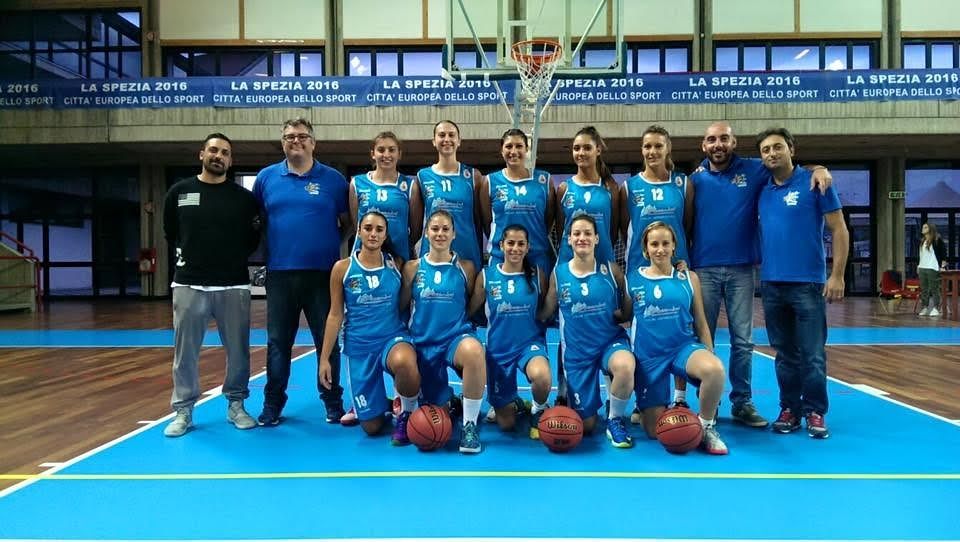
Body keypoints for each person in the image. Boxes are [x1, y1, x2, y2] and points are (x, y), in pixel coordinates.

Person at [685, 121, 832, 428]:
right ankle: (707, 402)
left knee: (743, 342)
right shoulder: (694, 180)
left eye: (723, 139)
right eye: (711, 140)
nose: (717, 144)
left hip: (742, 269)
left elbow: (789, 168)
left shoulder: (755, 170)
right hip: (704, 269)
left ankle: (742, 402)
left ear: (733, 142)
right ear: (703, 146)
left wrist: (819, 168)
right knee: (703, 339)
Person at [253, 118, 350, 427]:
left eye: (302, 136)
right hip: (280, 275)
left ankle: (332, 402)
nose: (296, 141)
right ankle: (273, 404)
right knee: (278, 343)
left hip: (323, 276)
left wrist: (328, 244)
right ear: (283, 142)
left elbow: (348, 223)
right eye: (289, 137)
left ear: (313, 142)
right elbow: (259, 220)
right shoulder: (266, 178)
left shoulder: (334, 180)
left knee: (327, 341)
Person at [161, 133, 260, 437]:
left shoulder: (244, 199)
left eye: (225, 153)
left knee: (239, 352)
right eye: (214, 150)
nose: (219, 156)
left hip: (233, 285)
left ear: (230, 160)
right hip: (189, 283)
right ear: (201, 154)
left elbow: (253, 238)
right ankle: (183, 410)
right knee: (185, 353)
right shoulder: (179, 192)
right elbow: (171, 232)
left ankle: (236, 405)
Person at [756, 127, 849, 439]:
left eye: (777, 147)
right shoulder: (762, 189)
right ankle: (790, 409)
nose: (772, 153)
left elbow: (839, 229)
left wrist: (837, 275)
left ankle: (815, 411)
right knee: (784, 355)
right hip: (771, 285)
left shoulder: (815, 183)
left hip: (808, 285)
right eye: (766, 150)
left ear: (791, 149)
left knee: (812, 354)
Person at [318, 211, 421, 444]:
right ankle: (380, 404)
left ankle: (406, 413)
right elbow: (335, 314)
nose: (373, 233)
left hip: (392, 338)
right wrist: (324, 359)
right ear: (359, 231)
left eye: (379, 230)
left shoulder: (396, 264)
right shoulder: (342, 268)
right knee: (372, 427)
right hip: (360, 346)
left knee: (405, 361)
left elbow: (406, 302)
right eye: (368, 228)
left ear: (385, 236)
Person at [626, 221, 729, 455]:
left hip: (683, 348)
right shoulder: (632, 279)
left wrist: (709, 355)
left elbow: (700, 321)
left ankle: (706, 427)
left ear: (674, 246)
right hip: (649, 357)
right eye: (654, 244)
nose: (660, 249)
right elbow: (623, 315)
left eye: (665, 243)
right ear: (645, 249)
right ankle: (655, 409)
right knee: (654, 431)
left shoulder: (689, 278)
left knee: (714, 370)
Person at [539, 214, 636, 448]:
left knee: (625, 365)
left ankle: (615, 419)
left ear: (597, 238)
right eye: (577, 234)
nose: (582, 238)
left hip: (609, 343)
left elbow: (628, 309)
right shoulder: (559, 274)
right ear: (569, 240)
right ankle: (584, 402)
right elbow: (545, 312)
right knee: (586, 426)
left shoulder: (612, 271)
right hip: (578, 355)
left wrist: (620, 315)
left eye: (587, 233)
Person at [620, 124, 690, 424]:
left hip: (676, 268)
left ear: (668, 149)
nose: (652, 151)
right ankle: (644, 399)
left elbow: (687, 225)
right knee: (644, 335)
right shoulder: (630, 187)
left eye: (658, 146)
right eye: (647, 146)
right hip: (640, 270)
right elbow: (624, 228)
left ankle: (680, 398)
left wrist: (680, 260)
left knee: (681, 329)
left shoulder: (683, 184)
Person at [401, 209, 487, 453]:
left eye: (445, 229)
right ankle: (447, 401)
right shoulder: (412, 268)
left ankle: (469, 425)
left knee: (474, 351)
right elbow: (402, 306)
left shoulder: (466, 268)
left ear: (454, 234)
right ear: (426, 233)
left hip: (454, 340)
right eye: (435, 229)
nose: (440, 233)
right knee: (437, 412)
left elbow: (470, 303)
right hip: (422, 342)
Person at [554, 126, 622, 406]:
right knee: (568, 332)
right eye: (576, 148)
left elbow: (614, 230)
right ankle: (563, 391)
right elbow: (561, 229)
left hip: (602, 268)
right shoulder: (564, 189)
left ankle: (612, 398)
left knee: (605, 326)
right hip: (570, 268)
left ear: (598, 150)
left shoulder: (611, 189)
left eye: (586, 147)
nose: (581, 153)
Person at [468, 224, 552, 439]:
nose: (515, 248)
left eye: (521, 244)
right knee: (506, 425)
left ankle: (538, 409)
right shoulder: (486, 276)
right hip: (499, 351)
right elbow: (469, 310)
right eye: (511, 243)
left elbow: (543, 310)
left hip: (529, 345)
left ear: (528, 247)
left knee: (542, 376)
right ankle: (514, 403)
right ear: (501, 245)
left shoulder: (537, 275)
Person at [477, 128, 556, 273]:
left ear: (527, 149)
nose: (513, 151)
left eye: (519, 146)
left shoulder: (544, 180)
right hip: (502, 257)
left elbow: (548, 221)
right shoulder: (490, 182)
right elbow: (487, 223)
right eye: (508, 146)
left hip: (537, 257)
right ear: (502, 151)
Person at [410, 120, 483, 270]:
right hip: (433, 250)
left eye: (451, 135)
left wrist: (480, 253)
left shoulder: (473, 176)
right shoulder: (423, 176)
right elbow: (416, 226)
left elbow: (478, 221)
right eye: (442, 135)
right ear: (434, 141)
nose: (447, 139)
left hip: (466, 249)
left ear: (459, 141)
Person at [349, 131, 414, 260]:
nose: (386, 155)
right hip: (364, 255)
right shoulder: (357, 183)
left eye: (392, 150)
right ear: (373, 154)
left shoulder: (410, 185)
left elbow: (415, 228)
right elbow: (356, 223)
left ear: (399, 154)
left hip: (398, 256)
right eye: (381, 150)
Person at [917, 222, 947, 317]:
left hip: (932, 267)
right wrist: (919, 266)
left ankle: (936, 308)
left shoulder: (937, 240)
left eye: (925, 227)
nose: (923, 228)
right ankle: (925, 307)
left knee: (934, 289)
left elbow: (943, 253)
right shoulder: (922, 241)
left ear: (930, 229)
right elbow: (921, 255)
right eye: (923, 227)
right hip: (923, 267)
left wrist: (942, 266)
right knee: (924, 289)